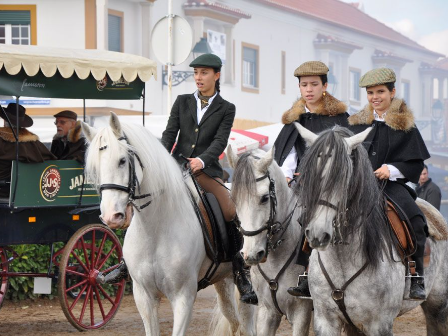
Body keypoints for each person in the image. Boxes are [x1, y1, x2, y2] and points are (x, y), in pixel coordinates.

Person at [98, 54, 258, 305]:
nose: (198, 77)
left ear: (216, 75)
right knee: (143, 202)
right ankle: (126, 263)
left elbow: (220, 140)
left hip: (206, 171)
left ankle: (239, 268)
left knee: (228, 207)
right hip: (174, 168)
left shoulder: (227, 108)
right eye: (195, 73)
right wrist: (158, 163)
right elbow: (170, 133)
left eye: (204, 73)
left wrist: (203, 160)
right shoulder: (182, 101)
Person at [348, 68, 430, 300]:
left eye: (381, 91)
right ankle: (308, 274)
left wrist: (391, 170)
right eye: (371, 92)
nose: (375, 97)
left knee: (416, 221)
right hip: (358, 187)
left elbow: (416, 165)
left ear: (392, 92)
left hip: (391, 188)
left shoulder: (406, 127)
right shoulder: (355, 124)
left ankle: (416, 276)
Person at [276, 61, 349, 297]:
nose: (309, 89)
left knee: (311, 216)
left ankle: (309, 272)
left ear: (324, 86)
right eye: (304, 85)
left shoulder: (340, 118)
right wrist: (286, 175)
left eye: (314, 84)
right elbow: (289, 153)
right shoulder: (294, 120)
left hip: (332, 186)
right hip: (301, 184)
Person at [0, 103, 56, 197]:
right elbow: (52, 162)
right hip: (28, 193)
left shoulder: (1, 141)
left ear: (5, 120)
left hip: (2, 193)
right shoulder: (35, 144)